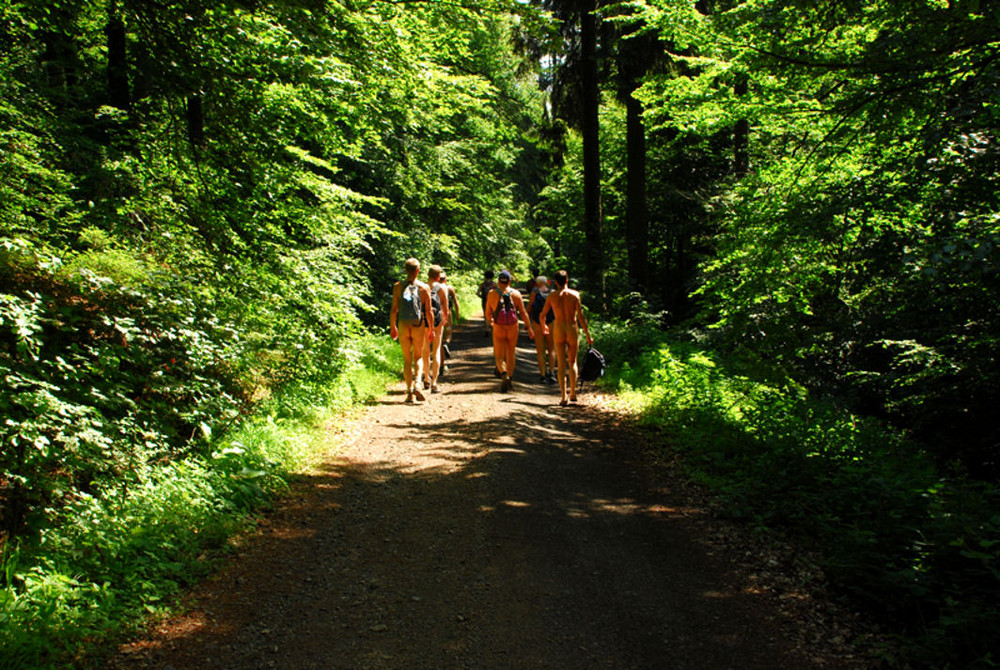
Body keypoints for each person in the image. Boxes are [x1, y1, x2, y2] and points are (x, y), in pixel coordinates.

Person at [540, 270, 593, 406]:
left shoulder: (552, 296)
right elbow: (580, 316)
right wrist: (588, 334)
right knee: (572, 361)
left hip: (558, 328)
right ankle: (573, 393)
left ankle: (563, 396)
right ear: (567, 280)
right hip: (572, 328)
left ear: (555, 282)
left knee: (561, 363)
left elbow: (542, 315)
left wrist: (544, 326)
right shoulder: (575, 295)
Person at [390, 258, 434, 403]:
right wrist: (431, 329)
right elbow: (428, 312)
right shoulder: (424, 288)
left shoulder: (397, 286)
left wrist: (393, 326)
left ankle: (409, 392)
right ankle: (417, 384)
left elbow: (394, 310)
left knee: (407, 359)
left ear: (405, 270)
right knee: (418, 357)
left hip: (403, 324)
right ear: (418, 271)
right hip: (418, 324)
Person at [485, 270, 533, 392]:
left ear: (498, 281)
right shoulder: (516, 294)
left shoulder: (491, 294)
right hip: (513, 326)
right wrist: (529, 328)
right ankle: (510, 378)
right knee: (511, 353)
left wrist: (490, 322)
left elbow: (487, 313)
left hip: (499, 326)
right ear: (510, 281)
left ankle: (503, 373)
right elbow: (523, 312)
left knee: (499, 355)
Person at [422, 265, 450, 394]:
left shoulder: (422, 287)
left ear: (428, 275)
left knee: (425, 351)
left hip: (424, 322)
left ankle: (426, 378)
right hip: (438, 322)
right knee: (436, 350)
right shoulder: (442, 287)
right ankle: (434, 383)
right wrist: (443, 322)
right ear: (438, 276)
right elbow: (445, 307)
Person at [527, 275, 556, 384]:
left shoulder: (534, 293)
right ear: (546, 282)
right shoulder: (552, 292)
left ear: (537, 283)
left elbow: (530, 307)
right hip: (550, 322)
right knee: (551, 349)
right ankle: (552, 372)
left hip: (537, 322)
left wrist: (527, 320)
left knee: (540, 350)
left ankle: (543, 375)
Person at [476, 270, 497, 337]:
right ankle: (493, 328)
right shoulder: (494, 284)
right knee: (493, 314)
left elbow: (477, 293)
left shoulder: (483, 284)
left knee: (486, 314)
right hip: (493, 301)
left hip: (485, 301)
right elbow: (499, 292)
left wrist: (482, 297)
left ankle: (487, 329)